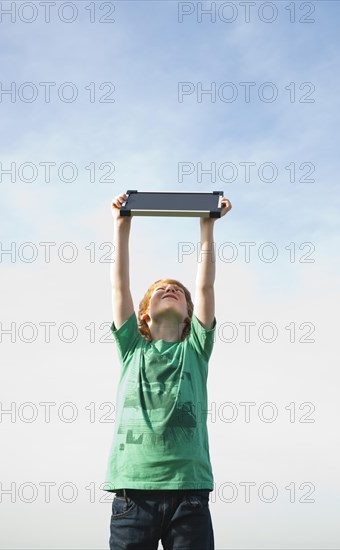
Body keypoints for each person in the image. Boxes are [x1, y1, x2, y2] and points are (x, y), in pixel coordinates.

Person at [105, 192, 232, 550]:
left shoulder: (196, 349)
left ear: (189, 316)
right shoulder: (132, 347)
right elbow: (119, 285)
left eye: (177, 290)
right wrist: (121, 224)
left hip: (188, 492)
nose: (170, 289)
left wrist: (207, 226)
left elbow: (206, 285)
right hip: (134, 495)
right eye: (161, 290)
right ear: (144, 314)